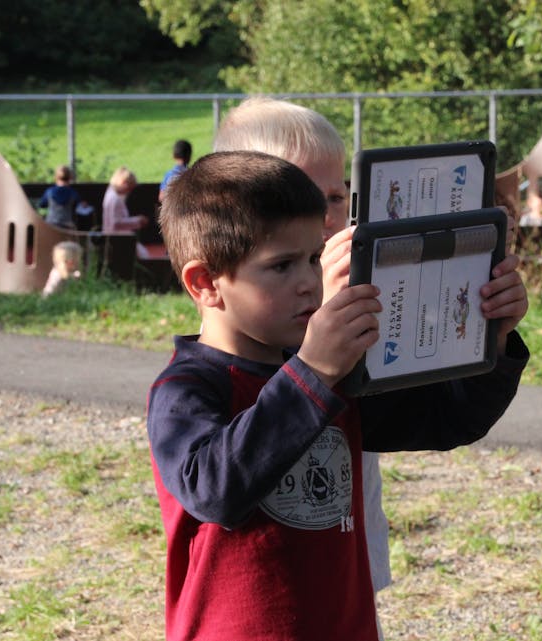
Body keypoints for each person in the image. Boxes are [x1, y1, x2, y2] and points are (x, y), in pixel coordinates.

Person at [147, 150, 530, 640]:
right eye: (281, 265)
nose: (310, 282)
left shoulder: (330, 368)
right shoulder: (186, 389)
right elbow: (215, 491)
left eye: (312, 257)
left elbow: (447, 421)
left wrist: (490, 339)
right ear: (206, 283)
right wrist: (312, 372)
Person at [209, 96, 397, 612]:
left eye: (335, 198)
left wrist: (486, 335)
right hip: (262, 603)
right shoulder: (235, 339)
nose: (324, 220)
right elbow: (218, 486)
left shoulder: (362, 305)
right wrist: (317, 346)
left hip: (347, 579)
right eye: (300, 199)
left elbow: (428, 420)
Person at [102, 166, 149, 233]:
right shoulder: (115, 198)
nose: (128, 192)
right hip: (117, 239)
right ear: (123, 182)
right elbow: (115, 223)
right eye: (129, 188)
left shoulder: (110, 193)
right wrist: (138, 220)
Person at [38, 165, 86, 229]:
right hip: (67, 226)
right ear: (70, 178)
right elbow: (80, 206)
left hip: (51, 226)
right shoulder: (73, 193)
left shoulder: (49, 192)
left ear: (56, 177)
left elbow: (41, 204)